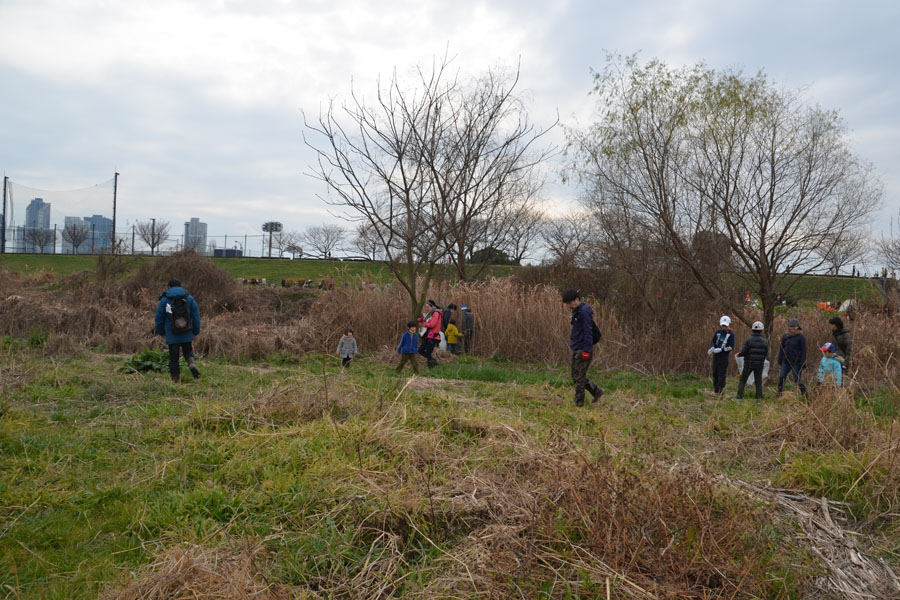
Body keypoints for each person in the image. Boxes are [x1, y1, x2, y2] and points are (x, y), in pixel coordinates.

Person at [155, 279, 201, 383]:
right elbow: (196, 316)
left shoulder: (164, 300)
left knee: (174, 358)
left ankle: (175, 379)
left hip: (172, 334)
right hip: (187, 331)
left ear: (169, 287)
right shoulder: (189, 298)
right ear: (181, 286)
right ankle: (192, 364)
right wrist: (196, 332)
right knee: (188, 351)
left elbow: (159, 318)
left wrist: (161, 332)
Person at [562, 289, 603, 407]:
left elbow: (588, 332)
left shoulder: (584, 312)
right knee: (575, 376)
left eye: (570, 303)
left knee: (579, 378)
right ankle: (596, 391)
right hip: (577, 346)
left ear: (577, 299)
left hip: (583, 348)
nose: (569, 306)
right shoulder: (577, 311)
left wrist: (586, 350)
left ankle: (579, 402)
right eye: (567, 304)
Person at [735, 321, 768, 401]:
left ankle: (739, 397)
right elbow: (765, 353)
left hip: (748, 364)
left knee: (743, 380)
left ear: (752, 330)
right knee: (758, 382)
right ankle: (758, 399)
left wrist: (738, 354)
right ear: (761, 330)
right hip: (759, 365)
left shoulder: (748, 340)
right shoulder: (765, 341)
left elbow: (743, 352)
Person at [776, 318, 808, 396]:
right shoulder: (785, 336)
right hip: (786, 361)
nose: (793, 328)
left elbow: (804, 350)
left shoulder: (801, 337)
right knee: (781, 377)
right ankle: (779, 392)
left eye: (794, 326)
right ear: (788, 327)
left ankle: (804, 394)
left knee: (797, 379)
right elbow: (782, 348)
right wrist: (779, 359)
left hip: (796, 362)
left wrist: (802, 361)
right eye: (791, 326)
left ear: (798, 327)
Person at [707, 315, 735, 394]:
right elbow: (713, 341)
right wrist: (712, 347)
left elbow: (731, 347)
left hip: (724, 357)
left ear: (729, 325)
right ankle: (716, 391)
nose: (724, 327)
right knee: (715, 373)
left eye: (725, 326)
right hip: (716, 356)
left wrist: (722, 350)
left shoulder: (731, 334)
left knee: (721, 375)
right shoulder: (718, 332)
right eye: (722, 325)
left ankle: (721, 391)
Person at [417, 300, 442, 368]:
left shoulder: (436, 313)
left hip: (433, 337)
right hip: (427, 336)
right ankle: (434, 362)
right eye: (426, 307)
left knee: (428, 353)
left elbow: (432, 324)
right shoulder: (430, 313)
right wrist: (422, 319)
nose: (426, 308)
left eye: (427, 307)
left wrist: (424, 323)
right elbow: (424, 320)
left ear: (432, 306)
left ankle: (431, 368)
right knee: (420, 350)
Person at [829, 316, 852, 385]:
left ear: (836, 325)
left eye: (832, 324)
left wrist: (845, 364)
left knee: (842, 380)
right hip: (834, 359)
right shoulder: (834, 334)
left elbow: (848, 351)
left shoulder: (846, 335)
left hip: (842, 360)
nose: (831, 326)